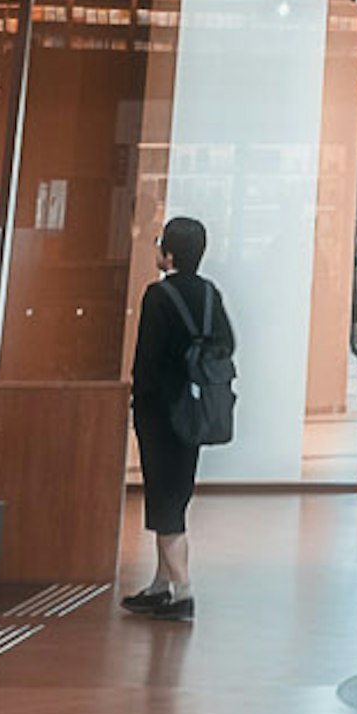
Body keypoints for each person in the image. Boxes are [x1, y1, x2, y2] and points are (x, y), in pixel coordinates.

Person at [125, 210, 230, 615]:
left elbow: (146, 360)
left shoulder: (158, 296)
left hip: (160, 411)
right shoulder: (209, 293)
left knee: (164, 500)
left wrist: (139, 402)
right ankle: (160, 583)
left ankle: (182, 591)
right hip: (194, 407)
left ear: (168, 254)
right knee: (175, 493)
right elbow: (226, 342)